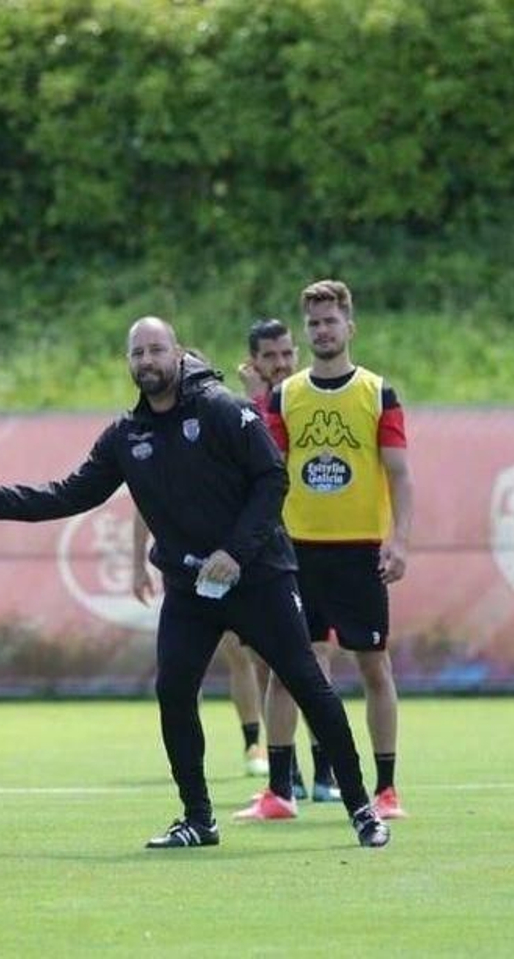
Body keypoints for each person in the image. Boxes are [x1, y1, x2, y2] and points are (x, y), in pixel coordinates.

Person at [0, 316, 389, 849]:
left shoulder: (223, 410)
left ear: (177, 354)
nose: (146, 362)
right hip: (190, 589)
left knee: (308, 684)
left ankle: (361, 807)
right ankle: (199, 818)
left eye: (155, 350)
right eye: (136, 354)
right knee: (173, 691)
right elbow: (71, 493)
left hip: (259, 575)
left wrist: (234, 552)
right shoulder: (128, 436)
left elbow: (273, 479)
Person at [237, 279, 414, 823]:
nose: (321, 330)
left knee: (374, 667)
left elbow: (400, 475)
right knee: (297, 666)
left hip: (360, 550)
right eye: (313, 323)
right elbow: (268, 473)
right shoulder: (285, 397)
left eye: (330, 321)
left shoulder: (377, 393)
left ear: (349, 327)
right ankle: (279, 792)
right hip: (297, 552)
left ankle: (385, 790)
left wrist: (400, 539)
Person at [128, 320, 312, 784]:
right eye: (270, 356)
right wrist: (138, 561)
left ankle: (321, 767)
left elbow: (276, 474)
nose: (280, 364)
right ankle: (263, 752)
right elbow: (150, 497)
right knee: (239, 653)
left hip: (295, 545)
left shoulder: (308, 400)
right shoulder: (220, 413)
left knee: (301, 660)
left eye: (286, 354)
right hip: (233, 556)